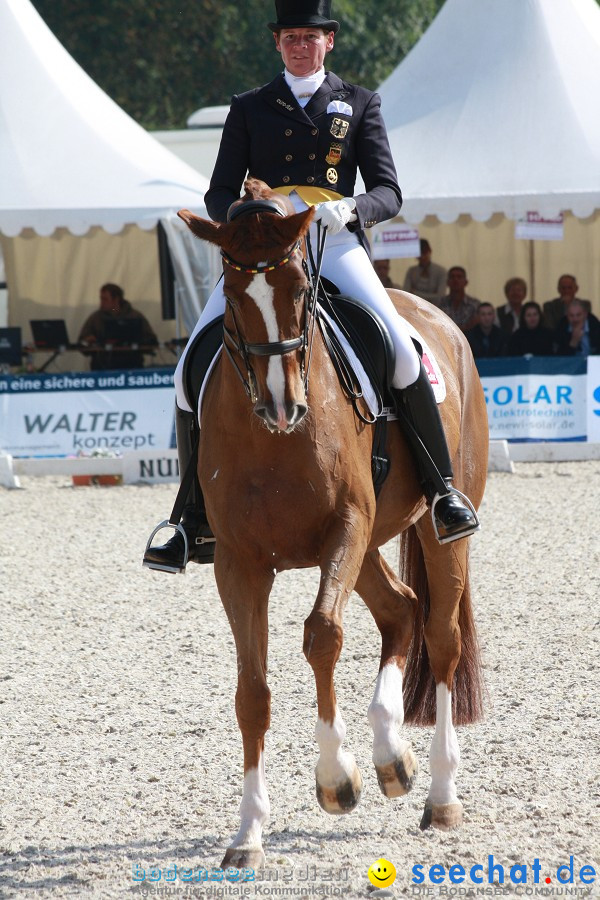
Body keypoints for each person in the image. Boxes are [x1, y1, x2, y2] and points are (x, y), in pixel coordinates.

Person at [143, 0, 479, 574]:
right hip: (264, 252)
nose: (300, 44)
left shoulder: (360, 104)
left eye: (311, 36)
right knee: (188, 367)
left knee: (402, 350)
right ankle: (189, 516)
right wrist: (251, 216)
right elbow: (217, 193)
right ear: (278, 43)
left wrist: (350, 209)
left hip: (335, 244)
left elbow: (389, 192)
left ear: (329, 41)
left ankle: (442, 489)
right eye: (291, 36)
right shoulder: (249, 108)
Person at [78, 283, 157, 371]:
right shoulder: (95, 318)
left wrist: (137, 342)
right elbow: (81, 343)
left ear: (116, 299)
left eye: (105, 299)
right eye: (101, 299)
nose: (101, 303)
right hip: (102, 368)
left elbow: (151, 340)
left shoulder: (135, 316)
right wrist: (88, 340)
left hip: (132, 367)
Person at [402, 238, 447, 305]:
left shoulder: (441, 271)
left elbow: (441, 297)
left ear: (430, 251)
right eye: (420, 254)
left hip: (434, 309)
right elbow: (405, 294)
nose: (422, 257)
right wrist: (432, 295)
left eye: (424, 253)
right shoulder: (411, 271)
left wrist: (415, 293)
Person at [439, 267, 481, 332]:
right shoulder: (439, 304)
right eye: (452, 277)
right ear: (447, 282)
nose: (455, 280)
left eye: (459, 277)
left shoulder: (475, 305)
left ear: (466, 282)